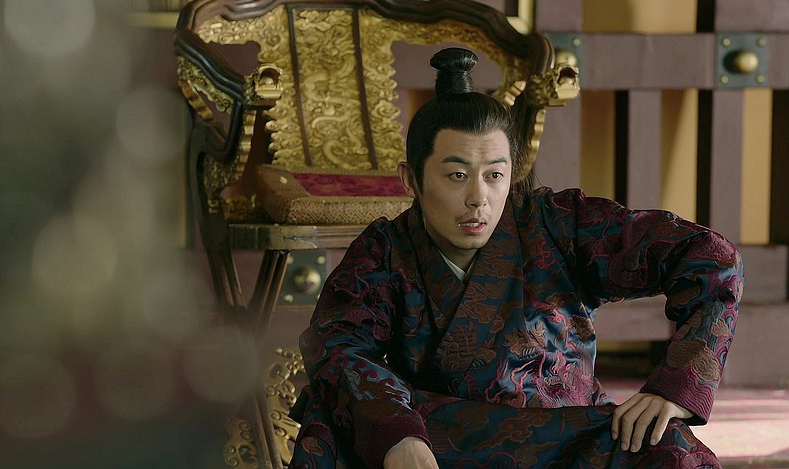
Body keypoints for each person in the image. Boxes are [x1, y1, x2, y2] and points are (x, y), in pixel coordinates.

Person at [289, 47, 743, 469]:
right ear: (411, 179)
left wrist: (677, 386)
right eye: (457, 175)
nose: (478, 198)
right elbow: (339, 345)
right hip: (440, 446)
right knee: (327, 416)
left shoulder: (559, 224)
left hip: (569, 442)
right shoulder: (385, 251)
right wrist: (398, 436)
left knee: (669, 447)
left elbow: (710, 257)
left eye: (494, 175)